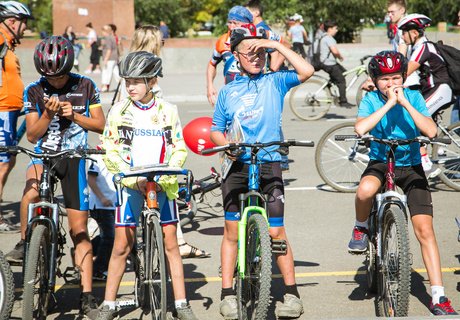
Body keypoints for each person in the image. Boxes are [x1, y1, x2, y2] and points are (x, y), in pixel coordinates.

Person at [210, 23, 314, 319]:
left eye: (259, 52)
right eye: (248, 52)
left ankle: (292, 294)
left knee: (277, 230)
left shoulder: (275, 81)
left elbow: (306, 71)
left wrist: (275, 46)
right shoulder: (228, 91)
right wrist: (227, 145)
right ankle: (227, 293)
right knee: (231, 231)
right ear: (236, 57)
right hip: (238, 165)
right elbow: (216, 130)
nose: (255, 57)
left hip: (269, 162)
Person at [347, 50, 458, 316]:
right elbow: (361, 129)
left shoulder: (415, 96)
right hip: (381, 161)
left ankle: (439, 296)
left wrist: (405, 103)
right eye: (384, 79)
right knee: (365, 190)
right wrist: (387, 104)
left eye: (396, 77)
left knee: (425, 230)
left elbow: (430, 131)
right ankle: (361, 226)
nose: (391, 83)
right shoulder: (372, 99)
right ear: (375, 80)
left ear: (403, 78)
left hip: (410, 166)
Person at [6, 35, 105, 318]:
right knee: (30, 193)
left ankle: (87, 297)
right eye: (49, 75)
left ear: (68, 68)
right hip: (44, 156)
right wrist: (48, 115)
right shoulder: (34, 90)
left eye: (60, 75)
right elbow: (33, 133)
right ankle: (28, 245)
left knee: (79, 230)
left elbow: (100, 125)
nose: (56, 81)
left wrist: (73, 115)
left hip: (73, 158)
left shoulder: (86, 85)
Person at [98, 51, 200, 320]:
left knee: (171, 245)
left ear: (152, 81)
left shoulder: (168, 111)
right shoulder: (119, 110)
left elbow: (178, 147)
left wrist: (164, 178)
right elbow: (110, 149)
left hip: (162, 184)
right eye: (127, 81)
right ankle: (108, 303)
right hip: (131, 184)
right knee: (121, 246)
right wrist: (134, 180)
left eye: (136, 81)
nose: (130, 86)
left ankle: (180, 303)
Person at [112, 24, 211, 259]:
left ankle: (172, 242)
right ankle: (174, 244)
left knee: (158, 199)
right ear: (154, 42)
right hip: (139, 151)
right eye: (161, 41)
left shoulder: (130, 67)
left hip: (135, 149)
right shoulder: (145, 75)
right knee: (161, 197)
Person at [398, 14, 454, 177]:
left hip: (440, 90)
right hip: (432, 89)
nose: (402, 37)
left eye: (404, 32)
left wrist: (379, 81)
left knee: (416, 119)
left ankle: (427, 164)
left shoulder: (423, 47)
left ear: (414, 33)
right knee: (416, 119)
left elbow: (406, 71)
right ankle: (428, 153)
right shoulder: (418, 47)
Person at [0, 1, 33, 233]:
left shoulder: (7, 45)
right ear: (11, 21)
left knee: (7, 162)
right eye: (24, 23)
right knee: (2, 165)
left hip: (9, 111)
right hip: (1, 113)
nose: (25, 28)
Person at [206, 5, 253, 106]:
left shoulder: (256, 39)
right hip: (231, 93)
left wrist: (273, 68)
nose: (231, 26)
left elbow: (280, 44)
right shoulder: (222, 41)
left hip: (253, 91)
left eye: (236, 23)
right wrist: (210, 86)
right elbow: (212, 64)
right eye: (229, 22)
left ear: (246, 24)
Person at [88, 151, 115, 281]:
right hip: (101, 205)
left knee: (109, 236)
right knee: (110, 237)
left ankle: (86, 250)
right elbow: (91, 180)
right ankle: (98, 269)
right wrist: (102, 198)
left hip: (115, 204)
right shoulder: (97, 157)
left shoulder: (120, 153)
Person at [319, 20, 354, 107]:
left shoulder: (324, 37)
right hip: (329, 64)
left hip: (330, 63)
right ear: (330, 29)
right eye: (335, 28)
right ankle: (343, 101)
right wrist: (340, 57)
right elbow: (334, 51)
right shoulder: (328, 38)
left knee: (344, 72)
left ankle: (332, 84)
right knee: (342, 81)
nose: (336, 30)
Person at [100, 24, 120, 92]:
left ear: (105, 31)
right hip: (114, 58)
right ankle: (122, 84)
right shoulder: (113, 37)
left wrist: (105, 59)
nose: (102, 33)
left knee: (106, 72)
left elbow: (109, 49)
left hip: (109, 58)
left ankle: (105, 86)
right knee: (116, 73)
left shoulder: (108, 38)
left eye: (102, 31)